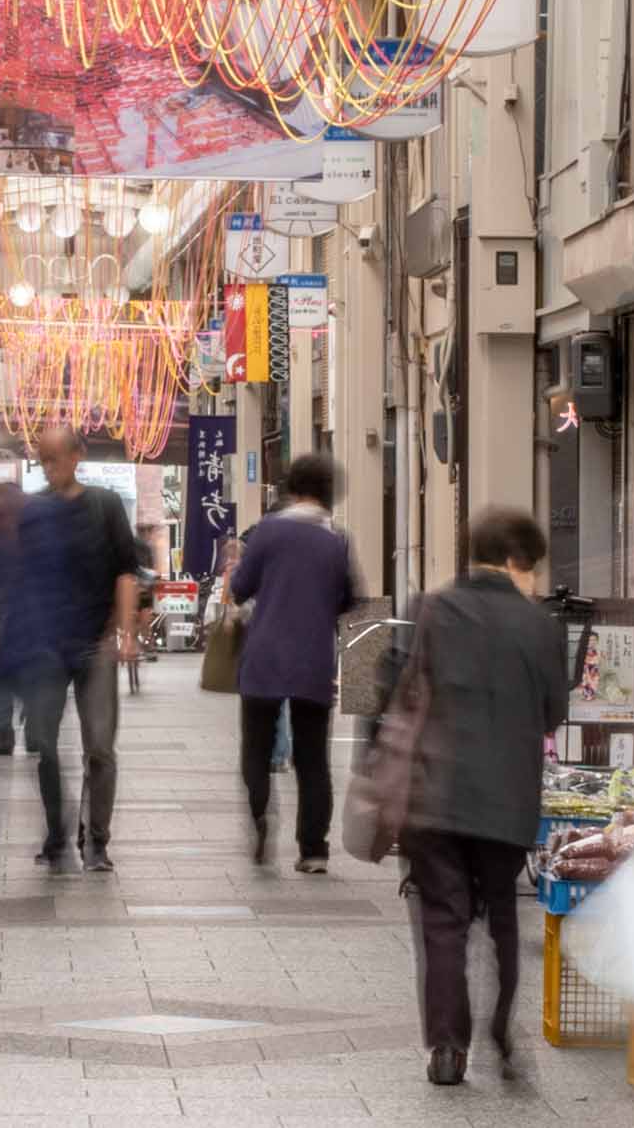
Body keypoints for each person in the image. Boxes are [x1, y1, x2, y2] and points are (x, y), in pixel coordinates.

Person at [387, 506, 568, 1087]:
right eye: (533, 568)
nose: (535, 580)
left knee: (443, 922)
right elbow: (553, 713)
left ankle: (446, 1046)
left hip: (436, 797)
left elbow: (409, 690)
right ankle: (501, 1032)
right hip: (507, 802)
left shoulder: (433, 609)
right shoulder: (541, 626)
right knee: (503, 918)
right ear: (517, 561)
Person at [0, 427, 146, 888]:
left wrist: (126, 634)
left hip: (94, 644)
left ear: (77, 456)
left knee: (99, 746)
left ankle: (96, 841)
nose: (49, 466)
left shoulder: (105, 504)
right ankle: (57, 835)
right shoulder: (34, 511)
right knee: (44, 744)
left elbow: (125, 570)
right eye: (43, 459)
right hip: (46, 648)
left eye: (56, 457)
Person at [227, 452, 359, 873]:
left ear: (293, 489)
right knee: (313, 758)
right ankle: (314, 849)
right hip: (314, 659)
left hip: (264, 656)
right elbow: (350, 601)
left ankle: (261, 814)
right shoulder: (336, 540)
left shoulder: (267, 532)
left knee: (256, 749)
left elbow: (240, 587)